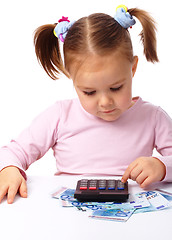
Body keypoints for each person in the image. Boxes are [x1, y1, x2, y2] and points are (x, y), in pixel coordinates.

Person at [0, 5, 171, 204]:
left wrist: (162, 166)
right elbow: (13, 152)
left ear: (132, 68)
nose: (105, 102)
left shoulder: (153, 117)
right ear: (72, 79)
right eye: (89, 92)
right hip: (69, 215)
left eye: (116, 88)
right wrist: (9, 169)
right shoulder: (60, 116)